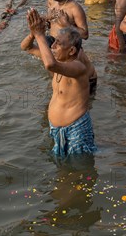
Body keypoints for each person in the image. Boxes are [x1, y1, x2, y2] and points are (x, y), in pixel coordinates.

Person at [25, 12, 97, 157]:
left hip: (76, 129)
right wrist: (33, 32)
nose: (53, 45)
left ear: (71, 50)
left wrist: (40, 35)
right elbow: (26, 47)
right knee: (63, 170)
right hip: (57, 129)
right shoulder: (59, 60)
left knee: (80, 169)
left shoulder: (78, 67)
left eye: (58, 43)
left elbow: (50, 65)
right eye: (54, 41)